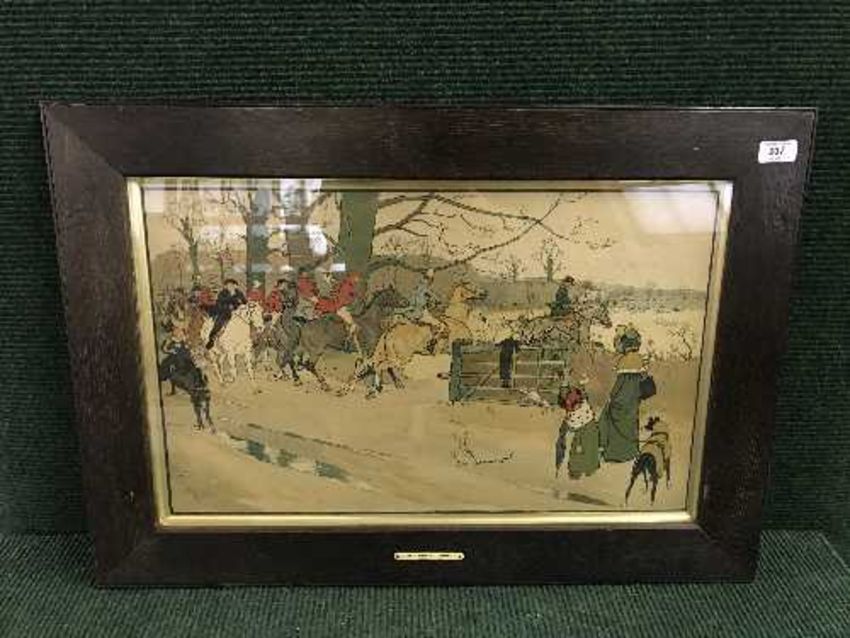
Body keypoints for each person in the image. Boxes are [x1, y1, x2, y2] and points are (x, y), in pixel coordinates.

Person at [596, 324, 648, 463]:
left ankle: (614, 453)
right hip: (634, 399)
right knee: (630, 423)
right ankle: (631, 452)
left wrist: (611, 397)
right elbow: (643, 378)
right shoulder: (641, 359)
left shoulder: (624, 360)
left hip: (621, 398)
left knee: (608, 418)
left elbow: (620, 383)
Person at [554, 384, 600, 479]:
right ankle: (578, 472)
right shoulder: (570, 402)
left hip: (587, 427)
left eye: (564, 390)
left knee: (584, 451)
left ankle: (586, 471)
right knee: (578, 451)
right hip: (583, 427)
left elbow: (574, 422)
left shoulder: (577, 401)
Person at [205, 278, 248, 349]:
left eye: (231, 285)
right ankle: (212, 339)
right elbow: (219, 303)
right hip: (225, 313)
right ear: (226, 286)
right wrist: (227, 306)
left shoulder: (239, 293)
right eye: (228, 285)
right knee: (219, 323)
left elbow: (245, 302)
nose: (230, 286)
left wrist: (240, 306)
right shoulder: (222, 293)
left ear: (235, 286)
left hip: (238, 314)